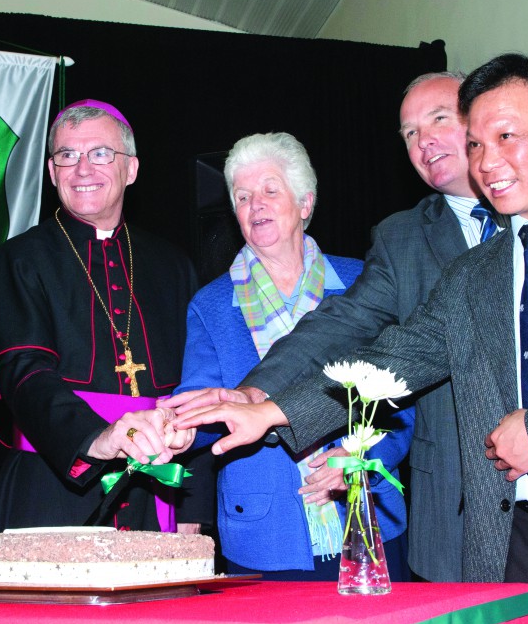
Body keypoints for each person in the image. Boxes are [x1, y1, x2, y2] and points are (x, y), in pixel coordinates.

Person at [170, 55, 528, 624]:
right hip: (508, 549)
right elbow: (395, 356)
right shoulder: (471, 275)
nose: (486, 162)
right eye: (476, 143)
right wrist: (274, 410)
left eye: (505, 137)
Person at [175, 132, 413, 580]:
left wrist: (360, 459)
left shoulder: (364, 283)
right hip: (266, 534)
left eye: (269, 190)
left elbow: (403, 398)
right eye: (243, 197)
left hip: (367, 519)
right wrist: (181, 429)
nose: (255, 205)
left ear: (305, 203)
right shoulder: (210, 305)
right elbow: (203, 406)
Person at [0, 99, 200, 533]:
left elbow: (199, 389)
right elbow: (23, 374)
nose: (83, 169)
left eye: (101, 153)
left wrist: (195, 512)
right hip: (54, 484)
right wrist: (97, 438)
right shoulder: (20, 259)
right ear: (53, 174)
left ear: (132, 169)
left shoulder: (172, 265)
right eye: (67, 155)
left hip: (159, 489)